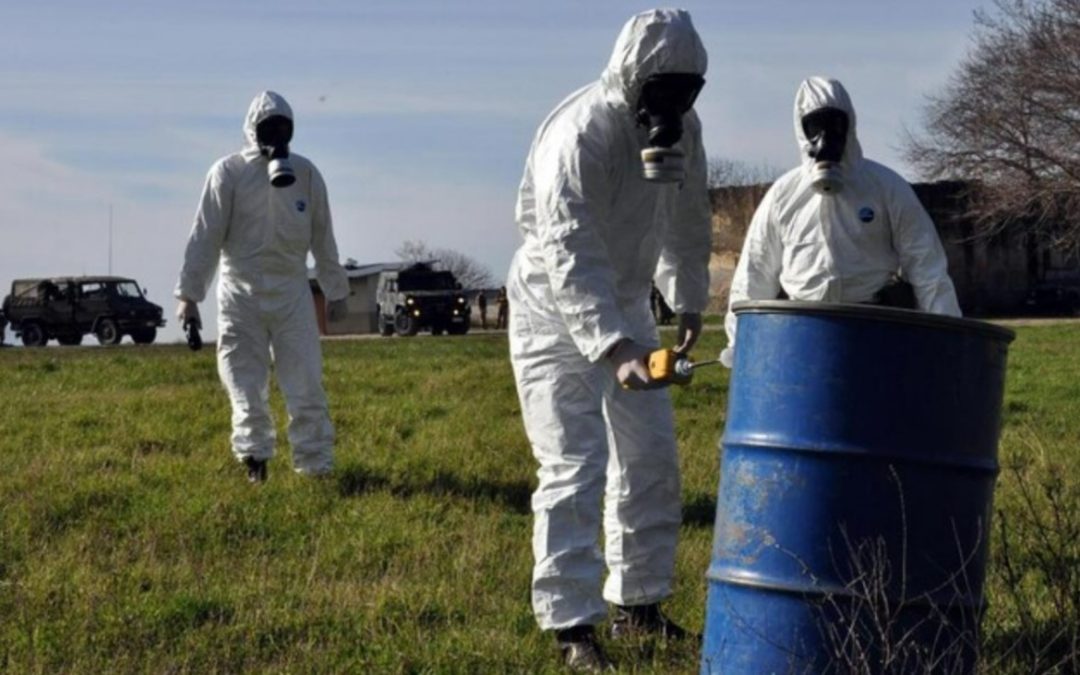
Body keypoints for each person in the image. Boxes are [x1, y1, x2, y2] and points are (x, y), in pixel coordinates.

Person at [506, 9, 712, 670]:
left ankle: (640, 606)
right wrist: (612, 345)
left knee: (650, 456)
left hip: (627, 298)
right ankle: (571, 625)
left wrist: (686, 298)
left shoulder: (684, 131)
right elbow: (569, 250)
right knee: (574, 460)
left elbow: (685, 209)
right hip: (551, 303)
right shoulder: (581, 133)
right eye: (665, 89)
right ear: (635, 75)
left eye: (688, 90)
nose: (675, 105)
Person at [722, 76, 961, 366]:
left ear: (850, 125)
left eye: (835, 125)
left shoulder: (885, 187)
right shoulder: (784, 195)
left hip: (874, 326)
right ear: (801, 131)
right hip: (800, 333)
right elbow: (754, 273)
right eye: (814, 126)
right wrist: (739, 342)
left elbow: (927, 267)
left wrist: (948, 339)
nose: (826, 137)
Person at [175, 91, 350, 484]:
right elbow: (204, 238)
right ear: (252, 130)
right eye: (267, 127)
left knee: (306, 382)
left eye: (282, 127)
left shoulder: (305, 174)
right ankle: (255, 461)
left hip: (292, 293)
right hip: (240, 295)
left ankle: (315, 468)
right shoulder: (228, 173)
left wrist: (335, 290)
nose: (275, 134)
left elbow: (324, 237)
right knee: (245, 383)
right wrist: (189, 296)